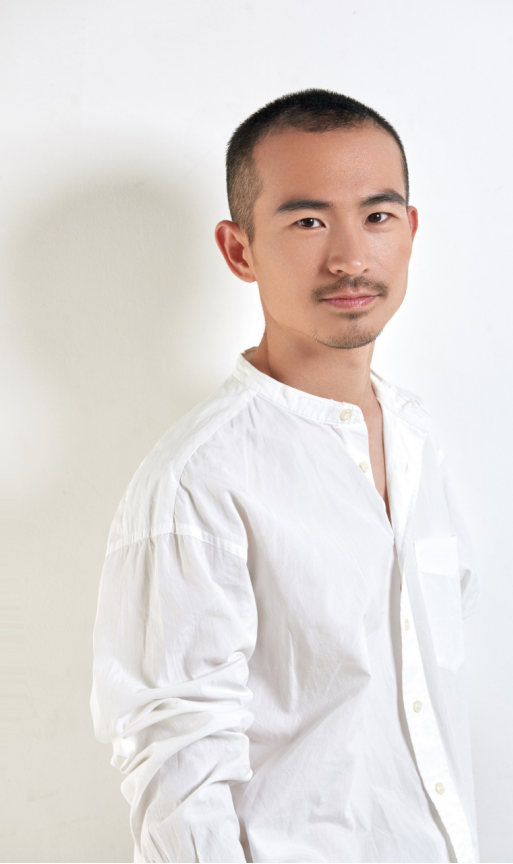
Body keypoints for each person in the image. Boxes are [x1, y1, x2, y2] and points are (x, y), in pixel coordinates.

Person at [90, 89, 481, 864]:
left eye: (377, 216)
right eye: (308, 221)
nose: (350, 258)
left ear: (410, 230)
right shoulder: (200, 480)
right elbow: (178, 773)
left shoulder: (415, 438)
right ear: (239, 250)